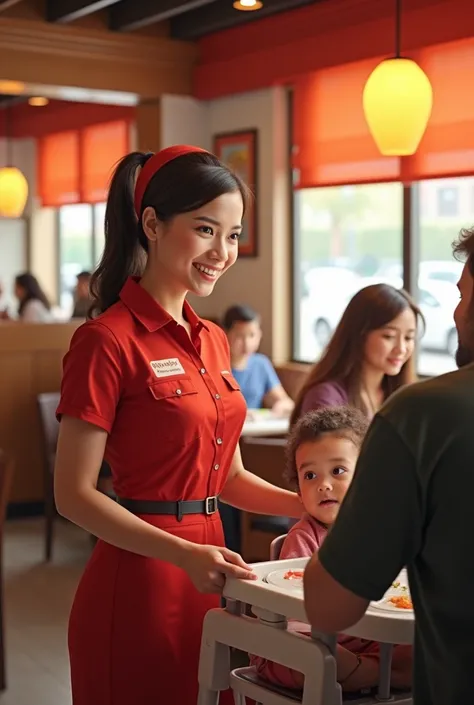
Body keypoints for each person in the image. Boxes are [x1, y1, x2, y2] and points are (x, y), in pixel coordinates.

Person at [54, 145, 302, 705]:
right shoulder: (105, 341)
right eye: (206, 229)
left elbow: (227, 479)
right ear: (151, 225)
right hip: (138, 579)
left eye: (234, 235)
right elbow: (72, 495)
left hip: (214, 570)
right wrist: (183, 554)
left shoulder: (213, 339)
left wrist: (306, 505)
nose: (223, 251)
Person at [303, 227, 474, 705]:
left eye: (462, 294)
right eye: (389, 335)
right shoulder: (402, 408)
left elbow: (329, 602)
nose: (456, 311)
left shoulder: (421, 413)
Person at [251, 407, 412, 692]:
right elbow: (292, 611)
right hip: (317, 641)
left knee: (432, 642)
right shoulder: (304, 537)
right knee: (316, 655)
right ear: (299, 490)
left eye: (337, 471)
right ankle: (375, 675)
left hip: (370, 640)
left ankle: (372, 672)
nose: (323, 485)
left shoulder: (383, 530)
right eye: (310, 476)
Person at [290, 284, 422, 426]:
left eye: (408, 338)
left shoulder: (404, 395)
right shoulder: (325, 397)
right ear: (359, 334)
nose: (401, 349)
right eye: (388, 336)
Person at [223, 304, 294, 416]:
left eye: (252, 335)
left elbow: (285, 402)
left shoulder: (261, 364)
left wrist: (280, 405)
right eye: (239, 336)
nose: (247, 344)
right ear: (224, 334)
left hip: (254, 430)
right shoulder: (215, 364)